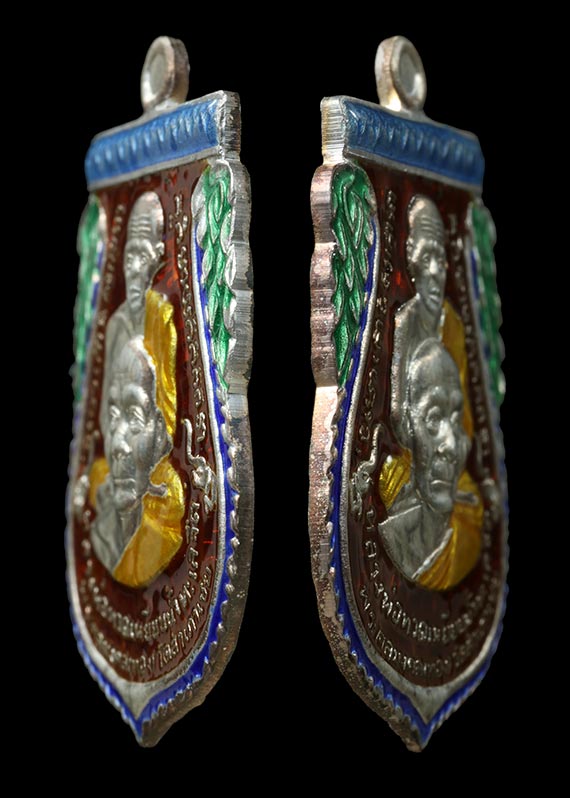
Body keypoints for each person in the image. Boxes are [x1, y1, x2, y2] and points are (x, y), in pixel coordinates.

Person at [90, 289, 184, 589]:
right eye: (113, 415)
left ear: (161, 433)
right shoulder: (102, 527)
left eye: (134, 417)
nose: (117, 444)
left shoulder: (164, 530)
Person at [378, 339, 482, 589]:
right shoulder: (396, 536)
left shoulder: (468, 537)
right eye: (433, 419)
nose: (451, 445)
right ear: (407, 429)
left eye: (456, 420)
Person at [100, 192, 165, 438]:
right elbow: (105, 414)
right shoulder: (116, 325)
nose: (134, 269)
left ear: (159, 258)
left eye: (143, 257)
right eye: (129, 258)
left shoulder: (164, 321)